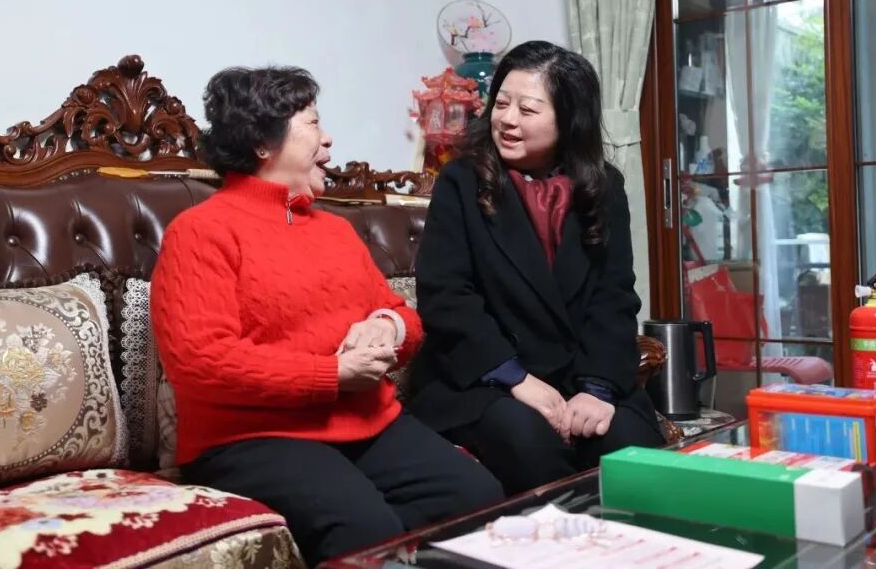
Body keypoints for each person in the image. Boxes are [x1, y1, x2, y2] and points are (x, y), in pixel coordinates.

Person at [150, 66, 503, 567]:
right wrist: (333, 374)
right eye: (313, 123)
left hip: (368, 422)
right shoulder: (200, 232)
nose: (328, 138)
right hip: (253, 438)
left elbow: (404, 316)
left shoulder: (334, 230)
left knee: (479, 497)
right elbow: (201, 362)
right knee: (366, 531)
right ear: (262, 143)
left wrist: (387, 325)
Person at [407, 40, 664, 496]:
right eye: (502, 103)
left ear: (569, 119)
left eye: (527, 109)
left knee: (631, 449)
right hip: (485, 378)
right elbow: (447, 297)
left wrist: (597, 389)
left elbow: (614, 296)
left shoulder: (604, 186)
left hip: (579, 372)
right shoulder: (461, 181)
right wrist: (516, 379)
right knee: (530, 444)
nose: (507, 119)